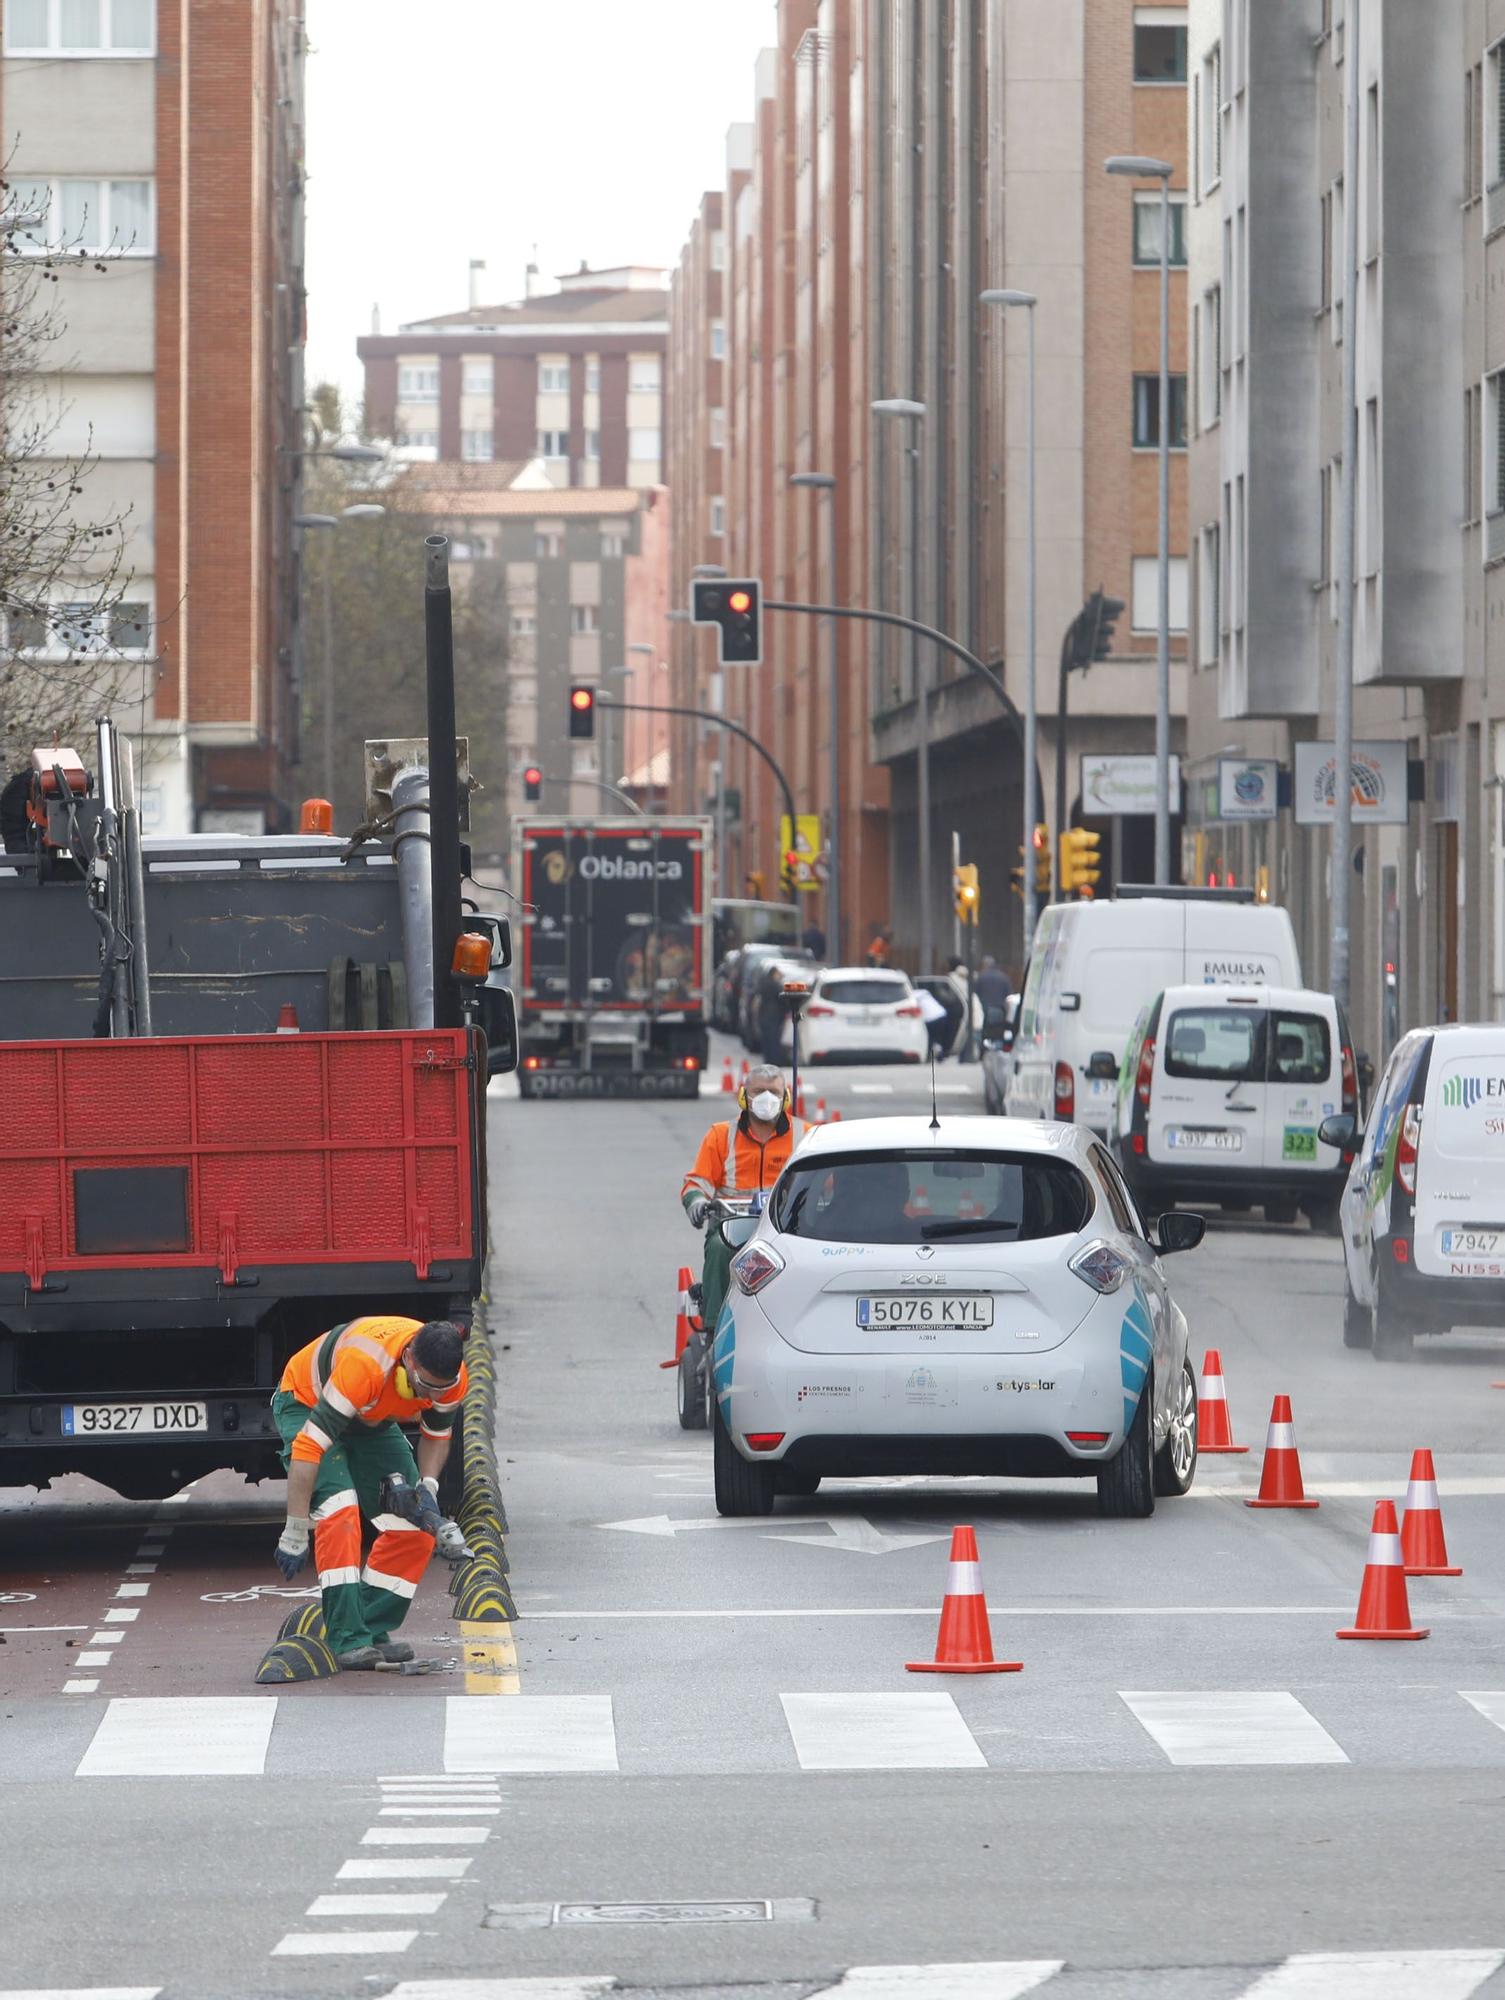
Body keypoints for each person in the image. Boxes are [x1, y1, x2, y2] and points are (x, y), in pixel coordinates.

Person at [272, 1316, 470, 1670]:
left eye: (442, 1388)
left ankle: (368, 1628)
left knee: (415, 1527)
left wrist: (427, 1487)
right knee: (339, 1511)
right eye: (425, 1385)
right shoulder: (365, 1366)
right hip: (306, 1402)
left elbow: (437, 1436)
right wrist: (295, 1527)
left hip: (370, 1417)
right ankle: (347, 1639)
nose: (432, 1396)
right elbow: (308, 1446)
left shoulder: (450, 1380)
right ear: (408, 1358)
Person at [681, 1064, 808, 1343]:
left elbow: (828, 1187)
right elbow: (697, 1182)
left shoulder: (806, 1136)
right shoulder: (720, 1135)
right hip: (732, 1226)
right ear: (743, 1097)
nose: (766, 1098)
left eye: (773, 1092)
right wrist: (697, 1202)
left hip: (785, 1230)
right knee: (718, 1249)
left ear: (785, 1097)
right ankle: (714, 1331)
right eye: (758, 1091)